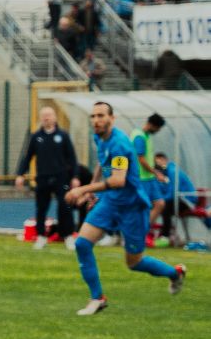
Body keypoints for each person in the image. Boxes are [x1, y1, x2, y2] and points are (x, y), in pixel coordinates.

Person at [64, 101, 185, 316]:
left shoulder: (120, 144)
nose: (96, 120)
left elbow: (118, 180)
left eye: (101, 116)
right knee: (82, 243)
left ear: (112, 118)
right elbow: (102, 161)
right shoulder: (99, 137)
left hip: (132, 207)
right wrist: (93, 187)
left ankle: (174, 273)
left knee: (134, 262)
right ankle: (97, 298)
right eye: (93, 116)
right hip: (110, 202)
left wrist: (83, 189)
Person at [14, 106, 79, 250]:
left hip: (61, 178)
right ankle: (41, 236)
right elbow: (27, 157)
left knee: (64, 206)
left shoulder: (63, 135)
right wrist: (20, 174)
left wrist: (75, 176)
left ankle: (68, 236)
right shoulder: (36, 137)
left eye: (49, 115)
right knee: (41, 208)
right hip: (43, 178)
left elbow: (72, 158)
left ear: (55, 117)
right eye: (43, 116)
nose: (46, 118)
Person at [155, 152, 211, 240]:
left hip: (188, 201)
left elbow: (173, 193)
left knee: (165, 207)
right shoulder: (166, 173)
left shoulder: (173, 171)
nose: (157, 166)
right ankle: (165, 233)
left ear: (164, 160)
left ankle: (165, 236)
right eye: (156, 164)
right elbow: (166, 191)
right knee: (162, 206)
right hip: (179, 199)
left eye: (159, 163)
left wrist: (161, 200)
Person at [132, 113, 167, 239]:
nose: (158, 131)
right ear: (152, 125)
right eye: (158, 128)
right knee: (140, 208)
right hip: (141, 179)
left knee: (160, 204)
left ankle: (141, 232)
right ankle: (135, 234)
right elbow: (140, 158)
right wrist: (156, 172)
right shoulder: (139, 136)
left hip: (149, 178)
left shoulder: (146, 136)